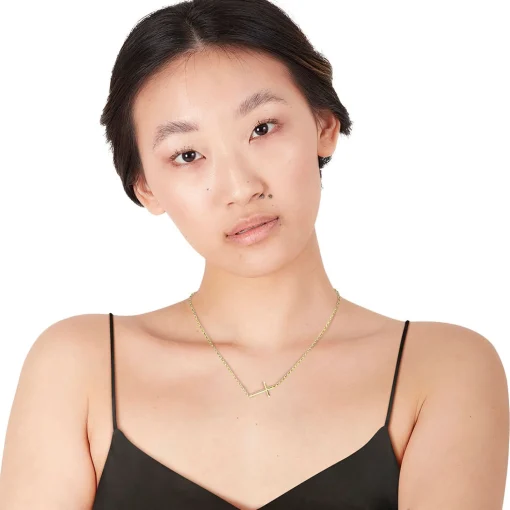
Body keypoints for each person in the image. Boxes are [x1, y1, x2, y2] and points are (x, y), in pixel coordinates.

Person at [0, 0, 508, 508]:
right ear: (146, 187)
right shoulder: (78, 367)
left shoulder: (443, 369)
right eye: (187, 155)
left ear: (324, 125)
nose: (240, 188)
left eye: (262, 129)